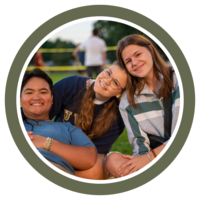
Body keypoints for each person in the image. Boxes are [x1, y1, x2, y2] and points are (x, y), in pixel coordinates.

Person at [105, 34, 180, 178]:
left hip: (160, 154)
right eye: (128, 61)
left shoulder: (178, 80)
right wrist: (142, 161)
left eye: (138, 54)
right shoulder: (128, 99)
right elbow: (140, 143)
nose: (134, 62)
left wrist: (150, 157)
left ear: (151, 50)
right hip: (155, 159)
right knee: (112, 160)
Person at [49, 61, 128, 179]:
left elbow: (93, 156)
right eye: (108, 73)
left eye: (115, 82)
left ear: (120, 94)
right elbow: (39, 114)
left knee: (97, 167)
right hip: (54, 146)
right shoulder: (72, 84)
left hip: (83, 159)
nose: (106, 81)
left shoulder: (118, 116)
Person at [20, 68, 97, 176]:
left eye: (43, 92)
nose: (36, 97)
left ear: (51, 99)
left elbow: (90, 158)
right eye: (29, 92)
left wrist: (46, 143)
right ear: (20, 99)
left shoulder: (69, 128)